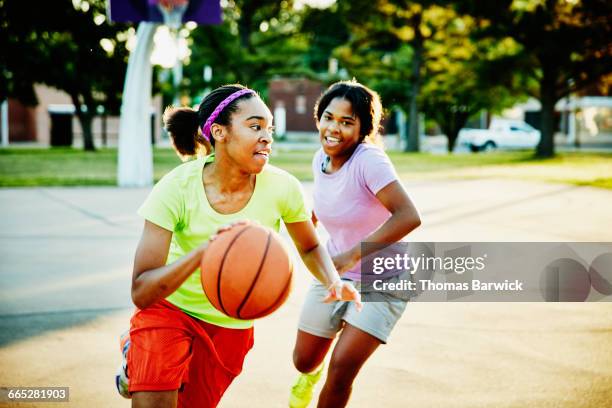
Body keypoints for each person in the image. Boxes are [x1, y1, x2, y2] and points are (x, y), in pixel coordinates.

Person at [114, 84, 361, 408]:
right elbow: (142, 291)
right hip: (168, 309)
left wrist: (333, 279)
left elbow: (310, 247)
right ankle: (140, 350)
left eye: (269, 128)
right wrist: (204, 254)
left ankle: (138, 358)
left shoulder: (282, 187)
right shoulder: (177, 187)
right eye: (255, 126)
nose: (267, 137)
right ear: (219, 132)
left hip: (230, 322)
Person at [289, 80, 421, 408]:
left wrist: (352, 255)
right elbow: (325, 203)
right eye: (329, 118)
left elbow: (408, 216)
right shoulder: (321, 157)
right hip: (334, 273)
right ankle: (308, 376)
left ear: (363, 128)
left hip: (383, 280)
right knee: (304, 360)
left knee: (341, 371)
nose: (334, 128)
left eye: (347, 122)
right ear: (319, 118)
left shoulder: (369, 161)